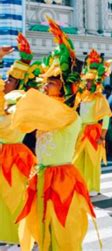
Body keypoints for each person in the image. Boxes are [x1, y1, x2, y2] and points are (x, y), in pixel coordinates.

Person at [12, 18, 98, 250]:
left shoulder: (68, 115)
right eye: (46, 81)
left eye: (51, 82)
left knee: (64, 231)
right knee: (42, 231)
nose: (45, 86)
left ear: (64, 86)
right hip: (41, 175)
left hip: (61, 177)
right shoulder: (47, 110)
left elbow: (27, 107)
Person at [0, 34, 37, 246]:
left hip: (14, 156)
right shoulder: (5, 99)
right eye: (7, 78)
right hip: (5, 153)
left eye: (11, 80)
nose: (6, 81)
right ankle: (6, 235)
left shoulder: (19, 101)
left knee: (15, 197)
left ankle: (20, 237)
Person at [73, 49, 112, 196]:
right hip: (81, 130)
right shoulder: (82, 96)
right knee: (78, 159)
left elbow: (107, 117)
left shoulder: (99, 98)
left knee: (93, 160)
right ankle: (81, 184)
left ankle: (94, 187)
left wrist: (102, 135)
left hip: (94, 130)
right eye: (87, 80)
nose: (88, 83)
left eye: (90, 81)